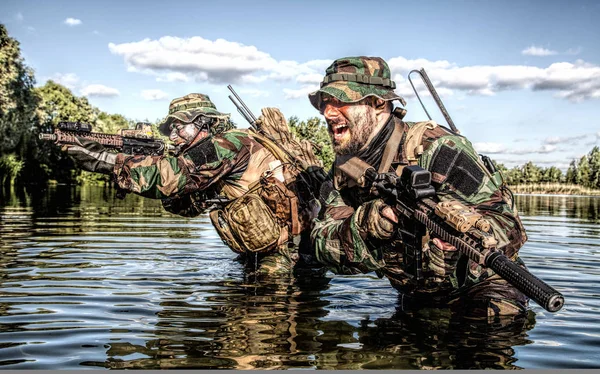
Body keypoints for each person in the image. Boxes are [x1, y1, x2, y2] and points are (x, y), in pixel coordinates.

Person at [309, 56, 529, 318]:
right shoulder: (344, 169)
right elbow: (322, 244)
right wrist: (368, 224)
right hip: (416, 296)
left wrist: (464, 234)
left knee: (486, 345)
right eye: (325, 103)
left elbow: (511, 228)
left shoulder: (438, 149)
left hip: (485, 289)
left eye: (340, 101)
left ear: (378, 102)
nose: (328, 113)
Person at [63, 93, 324, 276]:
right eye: (170, 130)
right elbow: (184, 206)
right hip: (263, 252)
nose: (173, 136)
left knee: (263, 334)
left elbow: (171, 176)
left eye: (179, 127)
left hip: (290, 255)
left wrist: (103, 159)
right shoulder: (212, 163)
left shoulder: (228, 144)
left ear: (203, 122)